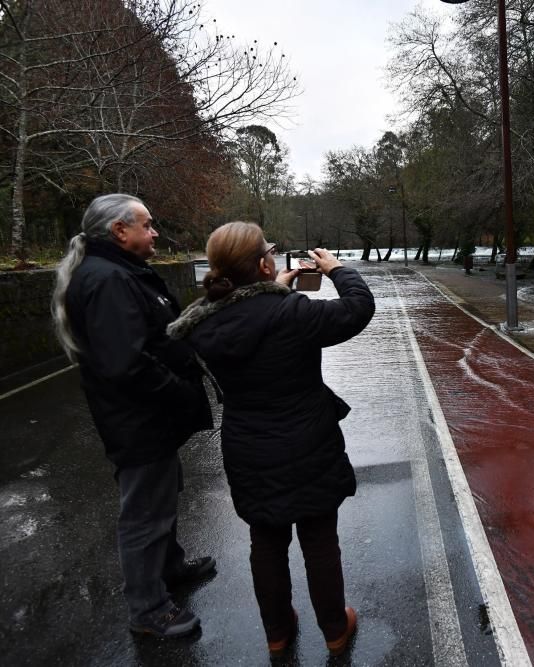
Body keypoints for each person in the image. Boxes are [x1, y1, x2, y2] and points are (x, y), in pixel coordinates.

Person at [166, 222, 375, 657]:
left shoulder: (205, 323)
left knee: (266, 541)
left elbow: (245, 316)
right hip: (308, 443)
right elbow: (358, 308)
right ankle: (335, 629)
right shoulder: (293, 313)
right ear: (264, 263)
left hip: (247, 446)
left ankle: (277, 633)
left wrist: (271, 289)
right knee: (318, 538)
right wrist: (337, 269)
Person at [50, 193, 216, 638]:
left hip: (146, 417)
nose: (155, 231)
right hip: (139, 418)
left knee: (161, 495)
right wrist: (181, 392)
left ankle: (171, 567)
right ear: (119, 231)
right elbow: (127, 363)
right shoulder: (107, 280)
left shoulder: (118, 271)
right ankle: (148, 609)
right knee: (145, 512)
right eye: (146, 224)